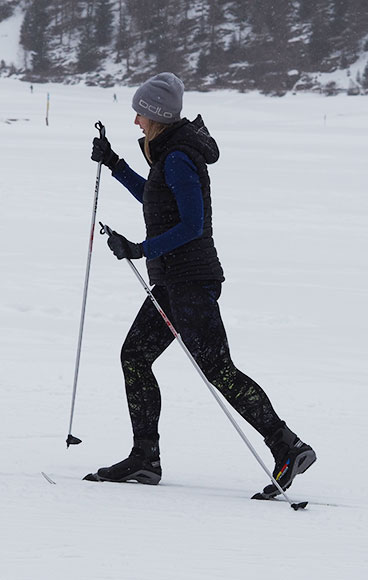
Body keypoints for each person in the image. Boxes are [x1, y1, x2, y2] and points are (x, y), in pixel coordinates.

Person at [87, 72, 316, 498]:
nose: (136, 121)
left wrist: (140, 248)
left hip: (190, 281)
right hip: (174, 283)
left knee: (219, 370)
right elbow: (155, 198)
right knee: (135, 356)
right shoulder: (169, 154)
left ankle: (288, 446)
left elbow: (193, 225)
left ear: (156, 116)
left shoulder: (177, 157)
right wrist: (116, 165)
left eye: (140, 113)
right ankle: (145, 459)